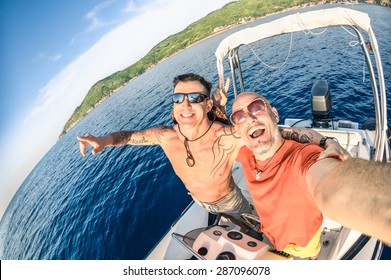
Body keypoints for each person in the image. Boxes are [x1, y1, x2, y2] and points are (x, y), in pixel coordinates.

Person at [77, 73, 347, 218]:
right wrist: (102, 141)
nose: (185, 104)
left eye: (195, 97)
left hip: (229, 200)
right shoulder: (164, 135)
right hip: (198, 200)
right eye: (178, 98)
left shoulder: (227, 137)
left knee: (255, 225)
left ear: (207, 104)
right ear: (173, 107)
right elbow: (128, 136)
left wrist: (326, 141)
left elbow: (282, 132)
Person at [230, 91, 391, 259]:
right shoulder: (242, 151)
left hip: (305, 241)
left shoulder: (302, 157)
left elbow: (331, 181)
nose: (249, 118)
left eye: (256, 107)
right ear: (237, 131)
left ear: (275, 114)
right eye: (239, 117)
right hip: (272, 233)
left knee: (313, 253)